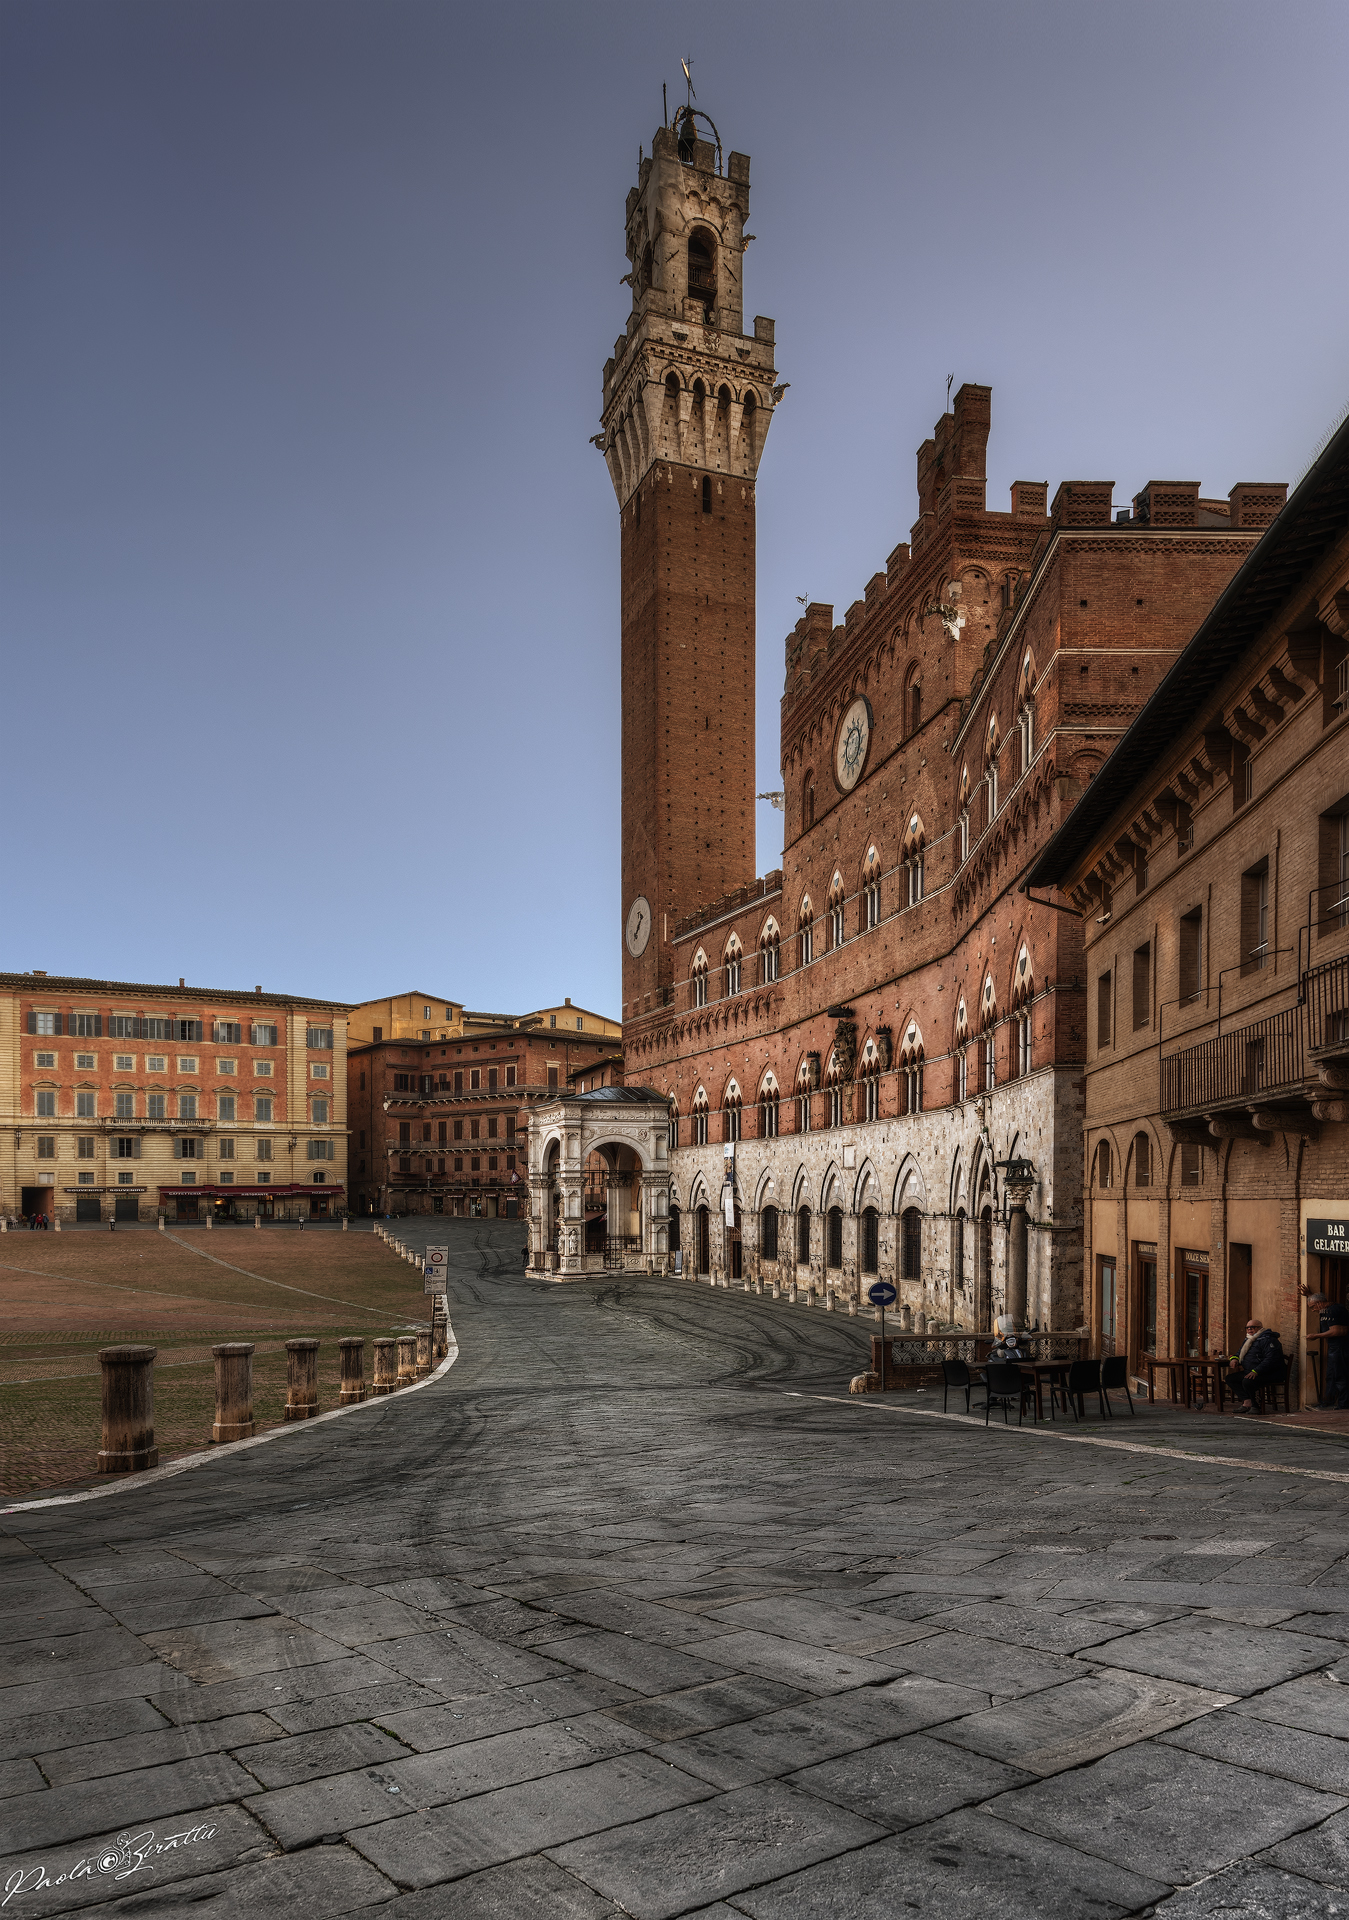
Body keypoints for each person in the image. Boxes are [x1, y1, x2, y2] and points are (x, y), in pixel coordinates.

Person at [1300, 1281, 1349, 1410]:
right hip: (1334, 1348)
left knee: (1340, 1376)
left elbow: (1338, 1331)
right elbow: (1318, 1301)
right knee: (1331, 1376)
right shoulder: (1325, 1309)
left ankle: (1344, 1404)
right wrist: (1309, 1295)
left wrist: (1316, 1336)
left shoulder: (1334, 1310)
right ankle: (1329, 1402)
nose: (1313, 1310)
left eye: (1313, 1307)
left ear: (1320, 1303)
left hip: (1340, 1347)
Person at [1229, 1321, 1284, 1413]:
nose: (1249, 1329)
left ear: (1260, 1328)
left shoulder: (1268, 1339)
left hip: (1269, 1373)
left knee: (1247, 1381)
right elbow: (1239, 1352)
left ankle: (1255, 1406)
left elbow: (1271, 1359)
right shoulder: (1248, 1339)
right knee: (1230, 1379)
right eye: (1247, 1328)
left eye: (1253, 1327)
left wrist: (1256, 1371)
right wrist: (1234, 1359)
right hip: (1250, 1371)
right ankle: (1247, 1402)